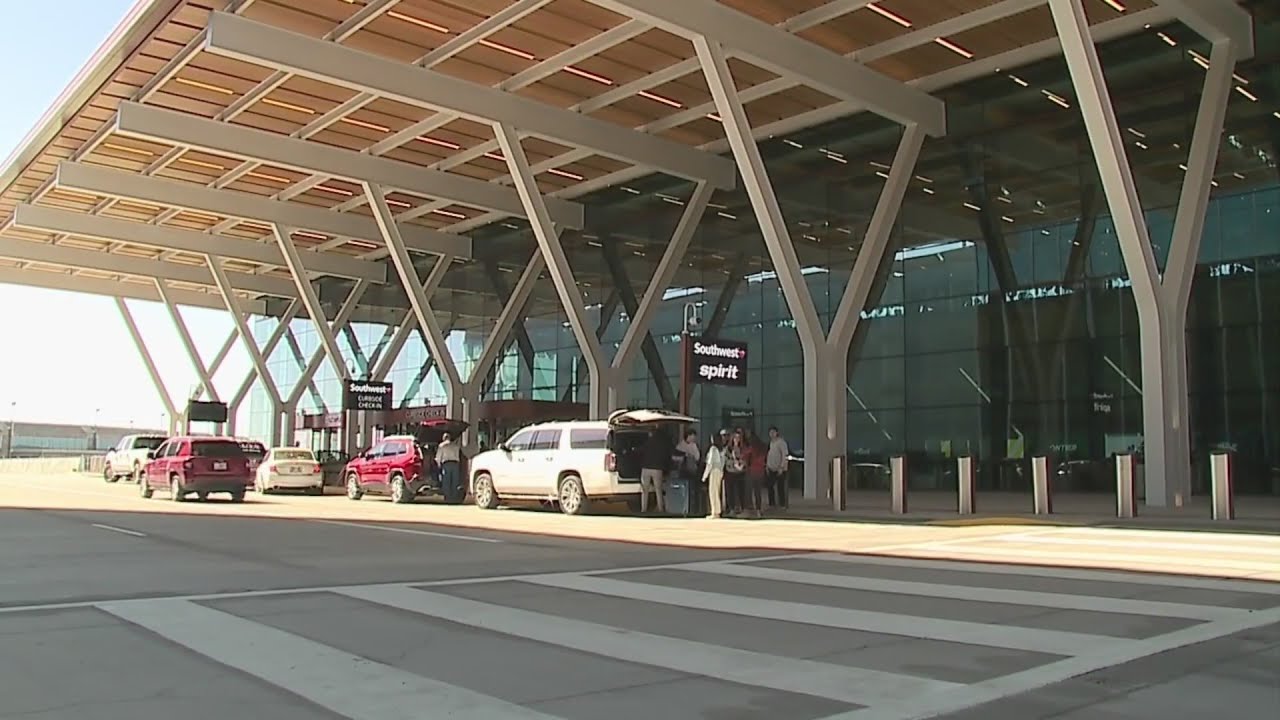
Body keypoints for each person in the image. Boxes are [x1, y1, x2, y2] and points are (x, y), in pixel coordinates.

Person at [640, 429, 672, 513]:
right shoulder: (663, 443)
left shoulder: (647, 442)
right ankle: (660, 508)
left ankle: (643, 509)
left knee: (645, 490)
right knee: (658, 489)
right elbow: (668, 454)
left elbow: (641, 451)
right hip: (657, 469)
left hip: (646, 468)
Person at [743, 429, 767, 518]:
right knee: (758, 492)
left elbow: (745, 457)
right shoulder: (763, 448)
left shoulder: (751, 448)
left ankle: (749, 509)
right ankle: (758, 510)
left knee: (748, 491)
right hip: (760, 472)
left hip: (752, 471)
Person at [765, 426, 790, 509]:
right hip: (771, 468)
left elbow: (784, 455)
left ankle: (782, 504)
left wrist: (782, 467)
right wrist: (767, 466)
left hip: (780, 469)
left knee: (781, 487)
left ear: (777, 433)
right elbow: (769, 455)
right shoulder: (771, 443)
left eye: (773, 432)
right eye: (770, 432)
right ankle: (772, 503)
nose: (772, 434)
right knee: (770, 486)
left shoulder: (781, 442)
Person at [702, 431, 726, 518]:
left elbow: (710, 463)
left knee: (713, 491)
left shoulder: (713, 449)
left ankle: (714, 511)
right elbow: (723, 462)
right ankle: (717, 511)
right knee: (717, 491)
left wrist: (705, 476)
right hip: (719, 471)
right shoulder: (721, 450)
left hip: (714, 471)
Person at [723, 430, 747, 517]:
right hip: (730, 472)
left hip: (740, 473)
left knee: (741, 491)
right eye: (735, 437)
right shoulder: (728, 449)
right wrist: (733, 463)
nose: (736, 439)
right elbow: (725, 460)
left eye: (738, 438)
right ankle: (731, 509)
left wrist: (741, 464)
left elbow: (745, 459)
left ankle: (742, 508)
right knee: (730, 492)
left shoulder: (743, 448)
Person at [435, 432, 463, 503]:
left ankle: (447, 498)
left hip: (446, 465)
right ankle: (454, 497)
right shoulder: (455, 445)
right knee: (455, 481)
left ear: (443, 438)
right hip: (455, 464)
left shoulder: (441, 446)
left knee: (446, 481)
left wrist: (438, 465)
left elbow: (438, 457)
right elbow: (458, 456)